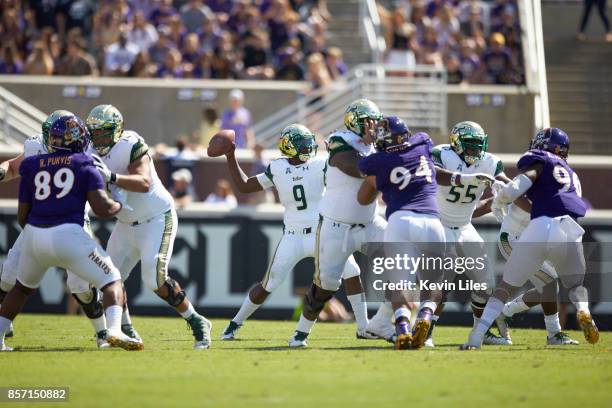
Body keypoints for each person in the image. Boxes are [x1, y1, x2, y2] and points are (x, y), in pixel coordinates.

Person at [0, 114, 141, 352]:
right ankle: (112, 331)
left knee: (22, 288)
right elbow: (102, 207)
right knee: (111, 280)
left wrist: (36, 231)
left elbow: (22, 215)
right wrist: (118, 205)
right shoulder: (85, 161)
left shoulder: (33, 165)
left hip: (35, 231)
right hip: (70, 231)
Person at [220, 124, 368, 340]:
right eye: (302, 143)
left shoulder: (318, 164)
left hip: (322, 233)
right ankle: (233, 325)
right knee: (268, 284)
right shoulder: (279, 168)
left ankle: (363, 326)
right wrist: (230, 156)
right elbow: (244, 186)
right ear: (288, 146)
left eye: (309, 142)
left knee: (353, 273)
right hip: (294, 237)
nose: (308, 146)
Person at [85, 104, 212, 350]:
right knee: (107, 279)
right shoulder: (88, 150)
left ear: (117, 130)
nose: (98, 137)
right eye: (95, 132)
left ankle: (197, 322)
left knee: (154, 278)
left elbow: (143, 183)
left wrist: (111, 177)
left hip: (156, 218)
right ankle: (127, 329)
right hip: (125, 223)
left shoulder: (131, 143)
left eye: (103, 132)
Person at [462, 128, 599, 349]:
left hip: (537, 230)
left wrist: (500, 200)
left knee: (521, 286)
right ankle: (572, 318)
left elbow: (514, 191)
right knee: (564, 284)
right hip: (544, 233)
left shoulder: (538, 167)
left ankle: (486, 328)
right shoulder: (570, 176)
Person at [288, 99, 386, 348]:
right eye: (367, 123)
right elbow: (354, 166)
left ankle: (382, 323)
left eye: (375, 123)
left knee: (404, 260)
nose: (372, 128)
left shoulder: (379, 145)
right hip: (336, 227)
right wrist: (383, 161)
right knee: (326, 286)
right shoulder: (340, 140)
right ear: (354, 122)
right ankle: (300, 333)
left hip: (370, 223)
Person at [357, 116, 445, 349]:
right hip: (433, 222)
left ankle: (403, 328)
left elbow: (365, 185)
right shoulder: (423, 143)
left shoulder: (376, 160)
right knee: (433, 283)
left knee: (399, 283)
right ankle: (425, 316)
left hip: (401, 220)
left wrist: (368, 140)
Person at [425, 121, 514, 347]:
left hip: (464, 226)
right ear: (456, 143)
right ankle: (426, 331)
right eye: (470, 145)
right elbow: (434, 174)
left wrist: (508, 192)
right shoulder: (441, 154)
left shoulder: (490, 162)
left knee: (486, 284)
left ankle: (480, 330)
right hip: (440, 224)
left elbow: (506, 187)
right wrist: (463, 179)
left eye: (478, 145)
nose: (475, 150)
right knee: (442, 282)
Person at [497, 202, 580, 345]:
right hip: (512, 239)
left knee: (549, 288)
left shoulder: (552, 187)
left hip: (531, 241)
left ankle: (504, 312)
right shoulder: (529, 181)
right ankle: (553, 334)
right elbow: (517, 197)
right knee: (549, 283)